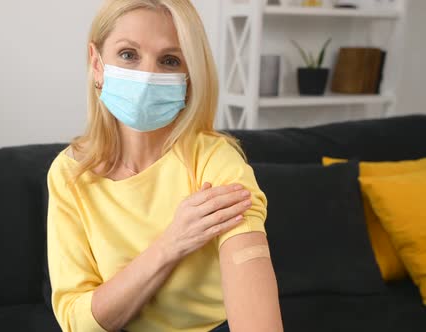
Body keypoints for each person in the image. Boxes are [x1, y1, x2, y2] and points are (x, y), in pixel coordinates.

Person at [46, 0, 284, 331]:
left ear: (189, 79)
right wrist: (172, 243)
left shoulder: (215, 160)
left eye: (169, 60)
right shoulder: (69, 175)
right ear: (97, 64)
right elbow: (78, 321)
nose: (147, 76)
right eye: (128, 54)